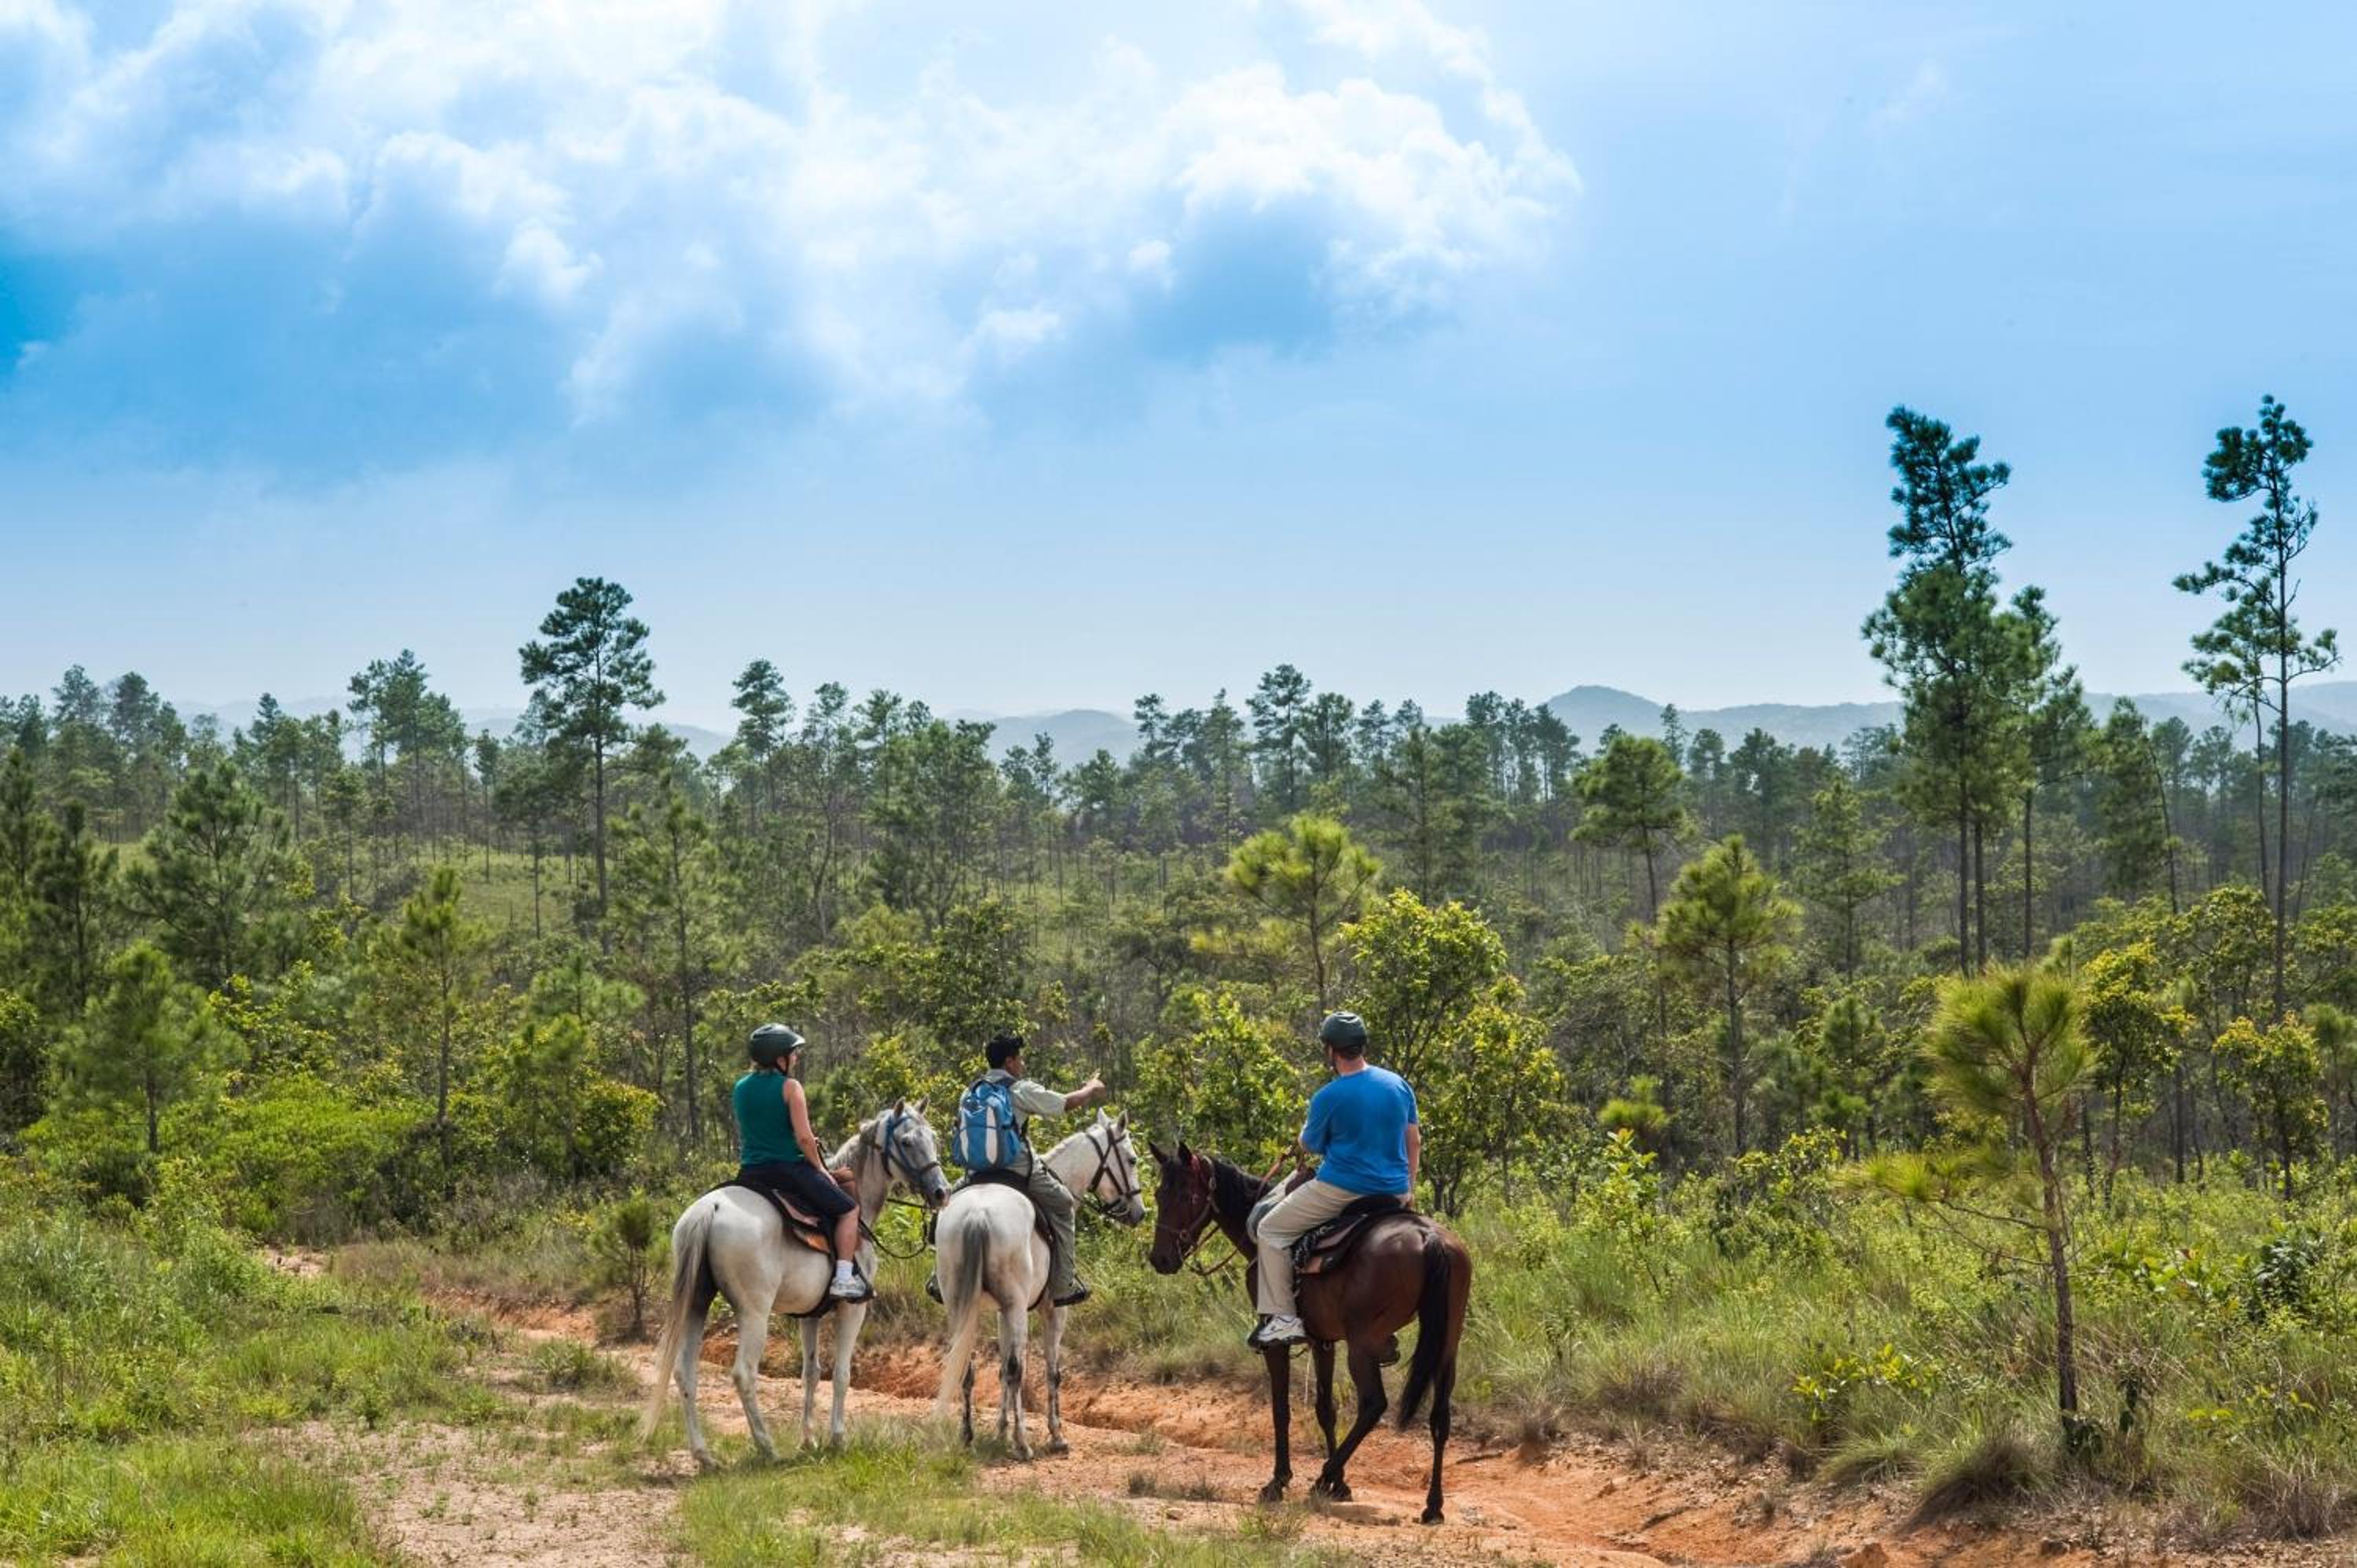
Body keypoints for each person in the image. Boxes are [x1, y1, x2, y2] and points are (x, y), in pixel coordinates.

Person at [1248, 1010, 1419, 1348]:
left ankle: (1283, 1318)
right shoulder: (1398, 1085)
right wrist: (1408, 1188)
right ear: (1361, 1045)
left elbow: (1309, 1145)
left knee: (1270, 1229)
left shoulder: (1328, 1096)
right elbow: (1413, 1141)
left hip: (1341, 1189)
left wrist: (1301, 1137)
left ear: (1330, 1051)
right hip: (1395, 1193)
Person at [940, 1034, 1109, 1307]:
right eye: (1020, 1059)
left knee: (945, 1208)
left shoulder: (970, 1091)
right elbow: (1067, 1103)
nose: (1023, 1064)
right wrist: (1090, 1088)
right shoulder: (1020, 1090)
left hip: (976, 1173)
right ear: (1009, 1062)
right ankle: (1063, 1284)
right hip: (1018, 1171)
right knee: (1065, 1205)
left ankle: (940, 1279)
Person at [734, 1023, 869, 1301]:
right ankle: (843, 1278)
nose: (795, 1058)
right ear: (779, 1058)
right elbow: (805, 1140)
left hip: (750, 1173)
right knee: (848, 1210)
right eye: (792, 1053)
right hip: (787, 1170)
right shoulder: (790, 1087)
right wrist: (820, 1169)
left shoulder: (740, 1088)